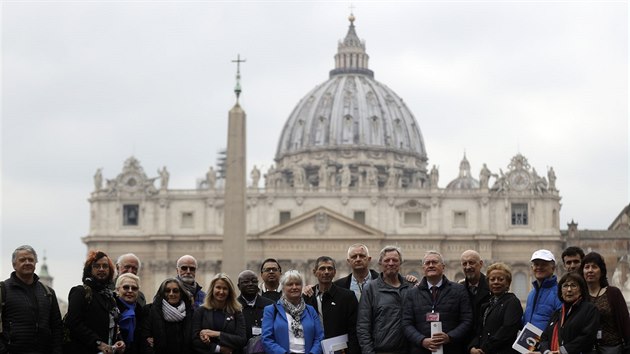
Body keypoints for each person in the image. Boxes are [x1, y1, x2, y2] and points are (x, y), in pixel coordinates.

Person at [402, 250, 472, 354]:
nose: (431, 265)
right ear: (423, 269)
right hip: (421, 350)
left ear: (443, 267)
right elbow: (406, 323)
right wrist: (422, 340)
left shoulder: (459, 290)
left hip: (451, 349)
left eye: (434, 262)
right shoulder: (412, 293)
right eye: (427, 263)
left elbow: (467, 320)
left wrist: (449, 337)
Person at [0, 245, 63, 354]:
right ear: (14, 265)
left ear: (35, 263)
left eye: (31, 260)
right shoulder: (3, 290)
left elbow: (57, 327)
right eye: (22, 260)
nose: (27, 262)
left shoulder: (48, 293)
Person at [65, 250, 126, 354]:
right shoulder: (80, 292)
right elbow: (73, 323)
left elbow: (112, 325)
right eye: (97, 266)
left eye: (105, 266)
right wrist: (98, 343)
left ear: (110, 270)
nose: (101, 269)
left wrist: (119, 340)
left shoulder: (110, 296)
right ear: (90, 270)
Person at [357, 245, 413, 354]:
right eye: (387, 260)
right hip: (381, 351)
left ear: (400, 263)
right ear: (380, 263)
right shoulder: (370, 289)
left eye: (395, 260)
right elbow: (363, 326)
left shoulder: (410, 287)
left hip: (409, 350)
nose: (391, 263)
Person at [303, 256, 359, 354]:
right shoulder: (306, 297)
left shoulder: (347, 297)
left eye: (330, 268)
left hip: (340, 350)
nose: (326, 272)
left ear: (334, 272)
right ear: (314, 272)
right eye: (322, 268)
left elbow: (354, 330)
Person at [261, 270, 323, 354]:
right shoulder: (271, 310)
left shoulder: (310, 310)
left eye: (297, 284)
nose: (294, 287)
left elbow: (319, 337)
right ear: (283, 287)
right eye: (290, 284)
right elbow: (267, 339)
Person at [580, 252, 630, 354]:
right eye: (587, 267)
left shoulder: (613, 293)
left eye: (594, 267)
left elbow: (625, 322)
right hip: (587, 349)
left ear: (602, 271)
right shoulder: (580, 296)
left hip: (612, 348)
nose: (590, 270)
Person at [468, 262, 522, 354]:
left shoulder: (512, 302)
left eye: (500, 279)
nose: (496, 282)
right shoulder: (486, 306)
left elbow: (506, 331)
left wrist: (484, 348)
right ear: (488, 283)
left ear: (508, 283)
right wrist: (472, 347)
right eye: (492, 279)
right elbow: (479, 331)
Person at [539, 273, 599, 354]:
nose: (569, 289)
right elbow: (544, 338)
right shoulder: (557, 313)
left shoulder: (590, 309)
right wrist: (547, 352)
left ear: (581, 290)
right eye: (565, 286)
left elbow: (587, 336)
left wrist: (563, 351)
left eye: (573, 286)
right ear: (560, 291)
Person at [192, 273, 247, 354]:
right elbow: (194, 340)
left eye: (225, 288)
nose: (221, 292)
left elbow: (242, 340)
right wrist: (218, 349)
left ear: (229, 292)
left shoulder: (236, 312)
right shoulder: (201, 311)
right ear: (212, 289)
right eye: (218, 287)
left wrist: (217, 334)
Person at [142, 278, 194, 354]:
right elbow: (145, 340)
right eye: (167, 291)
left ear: (181, 293)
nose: (171, 294)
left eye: (175, 291)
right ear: (162, 293)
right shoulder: (149, 311)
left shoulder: (190, 313)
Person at [522, 249, 562, 331]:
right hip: (529, 342)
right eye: (536, 264)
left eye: (544, 264)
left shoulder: (559, 293)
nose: (539, 267)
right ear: (532, 267)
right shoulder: (532, 293)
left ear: (553, 268)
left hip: (548, 343)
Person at [459, 249, 491, 343]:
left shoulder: (493, 287)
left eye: (471, 263)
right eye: (464, 264)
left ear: (481, 264)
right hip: (464, 344)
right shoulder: (458, 289)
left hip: (486, 344)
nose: (468, 267)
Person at [236, 270, 274, 340]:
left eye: (254, 281)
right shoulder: (233, 306)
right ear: (239, 286)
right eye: (246, 282)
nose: (250, 284)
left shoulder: (270, 305)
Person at [115, 273, 144, 354]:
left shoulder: (141, 312)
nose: (130, 291)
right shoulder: (110, 308)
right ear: (117, 290)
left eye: (134, 288)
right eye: (126, 287)